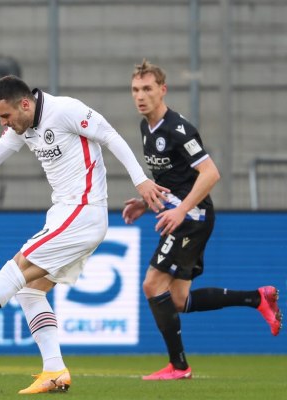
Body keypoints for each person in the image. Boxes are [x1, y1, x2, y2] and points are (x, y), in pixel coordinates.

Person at [0, 75, 169, 394]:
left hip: (82, 211)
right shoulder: (20, 127)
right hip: (67, 214)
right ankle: (55, 370)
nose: (3, 123)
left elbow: (110, 135)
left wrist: (140, 180)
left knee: (18, 267)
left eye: (6, 115)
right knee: (30, 291)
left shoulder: (65, 110)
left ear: (25, 104)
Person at [123, 59, 282, 380]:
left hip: (191, 218)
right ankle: (257, 298)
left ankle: (179, 367)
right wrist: (146, 202)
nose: (140, 96)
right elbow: (173, 178)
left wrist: (181, 210)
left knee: (152, 285)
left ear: (163, 90)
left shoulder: (178, 129)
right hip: (184, 216)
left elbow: (210, 173)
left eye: (147, 89)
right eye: (136, 90)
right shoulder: (146, 128)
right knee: (179, 300)